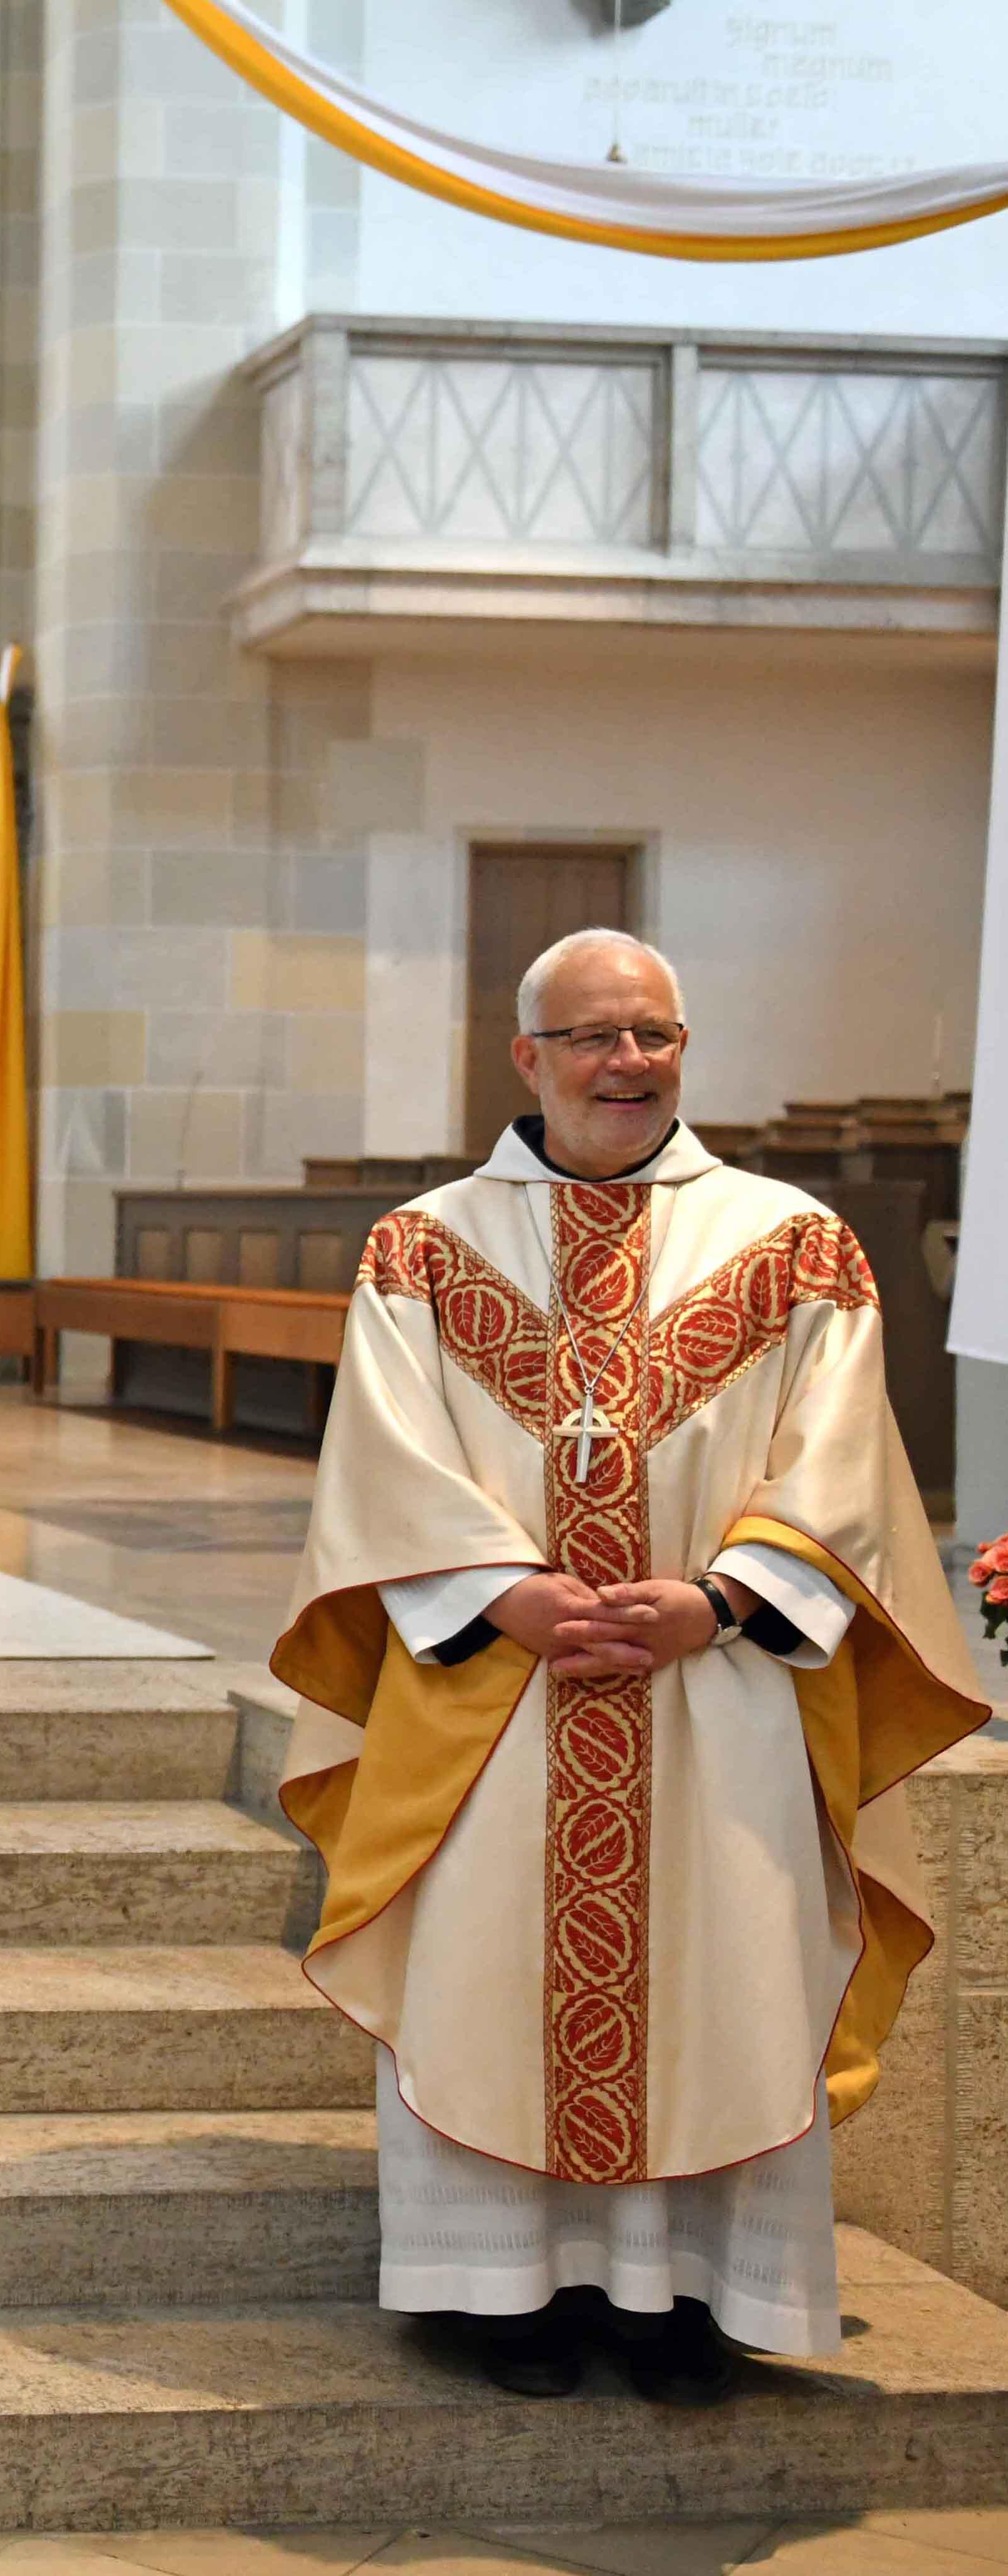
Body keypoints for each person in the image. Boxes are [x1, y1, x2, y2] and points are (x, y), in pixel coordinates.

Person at [274, 927, 984, 2405]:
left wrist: (724, 1599)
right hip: (498, 1694)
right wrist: (511, 1592)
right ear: (526, 1055)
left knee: (725, 1970)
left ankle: (682, 2294)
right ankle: (496, 2288)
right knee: (484, 1968)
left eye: (656, 1034)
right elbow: (384, 1457)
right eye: (594, 1036)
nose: (628, 1063)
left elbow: (843, 1460)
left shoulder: (793, 1241)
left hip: (716, 1687)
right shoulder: (425, 1243)